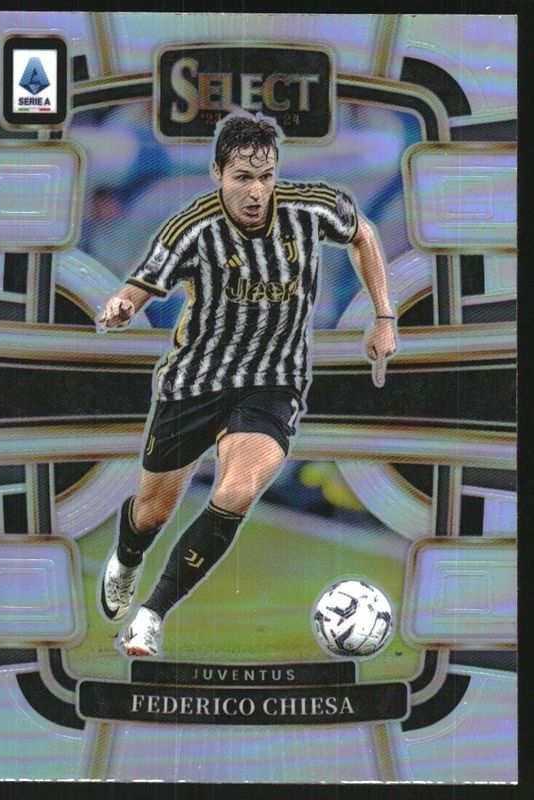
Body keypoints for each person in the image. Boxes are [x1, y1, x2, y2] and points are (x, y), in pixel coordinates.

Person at [97, 111, 397, 658]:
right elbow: (143, 284)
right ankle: (127, 557)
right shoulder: (192, 228)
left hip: (272, 383)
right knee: (152, 512)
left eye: (265, 176)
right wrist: (122, 304)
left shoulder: (311, 208)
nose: (256, 190)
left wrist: (383, 315)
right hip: (195, 383)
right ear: (219, 174)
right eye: (243, 177)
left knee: (235, 491)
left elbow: (364, 232)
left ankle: (151, 615)